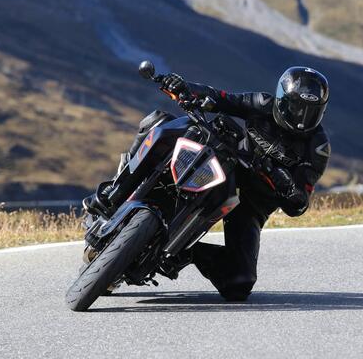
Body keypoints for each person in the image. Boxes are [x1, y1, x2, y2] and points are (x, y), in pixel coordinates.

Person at [92, 67, 331, 301]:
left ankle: (186, 251)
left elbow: (299, 205)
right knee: (160, 122)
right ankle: (115, 190)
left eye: (310, 112)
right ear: (281, 100)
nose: (301, 118)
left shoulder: (317, 147)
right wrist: (185, 87)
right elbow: (222, 98)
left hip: (252, 201)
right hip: (227, 162)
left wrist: (285, 184)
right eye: (296, 108)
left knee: (239, 282)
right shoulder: (262, 103)